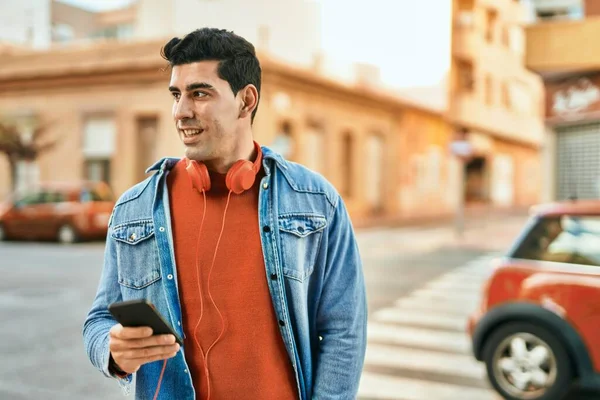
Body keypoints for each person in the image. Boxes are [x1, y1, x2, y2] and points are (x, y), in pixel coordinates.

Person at [83, 27, 367, 400]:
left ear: (246, 100)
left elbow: (344, 329)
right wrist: (112, 350)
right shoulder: (134, 209)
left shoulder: (316, 202)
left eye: (199, 93)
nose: (181, 111)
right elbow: (98, 322)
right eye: (176, 95)